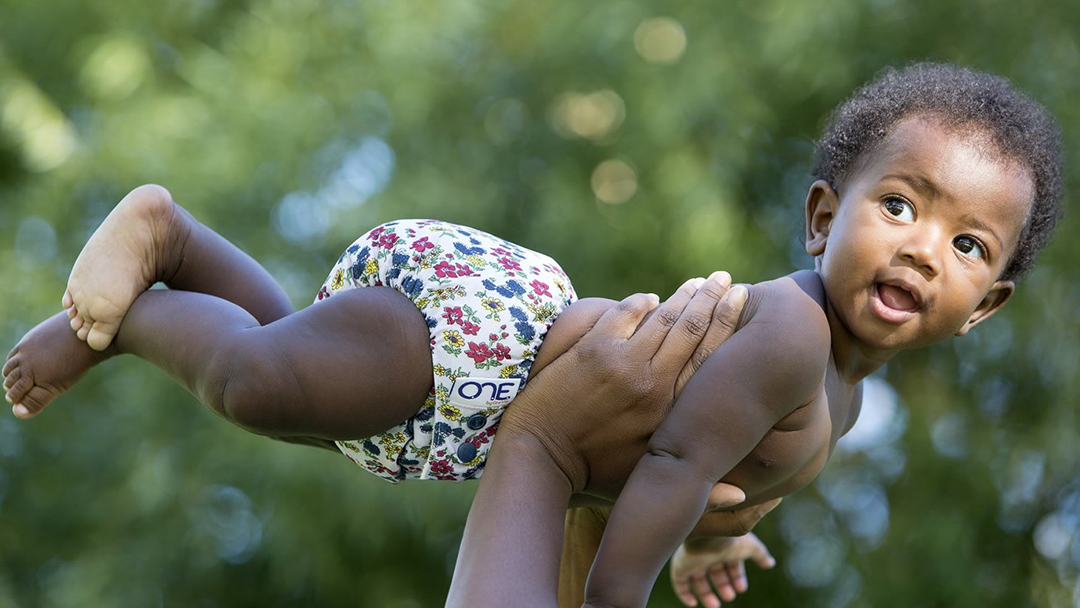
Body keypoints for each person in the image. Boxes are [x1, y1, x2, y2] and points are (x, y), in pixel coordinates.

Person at [5, 61, 1064, 607]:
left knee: (284, 361)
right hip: (480, 340)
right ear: (825, 216)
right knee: (254, 383)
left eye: (970, 245)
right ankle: (140, 291)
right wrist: (618, 589)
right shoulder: (789, 329)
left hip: (463, 410)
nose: (926, 248)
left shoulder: (847, 394)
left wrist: (703, 538)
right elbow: (676, 456)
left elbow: (712, 468)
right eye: (901, 207)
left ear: (984, 307)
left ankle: (189, 253)